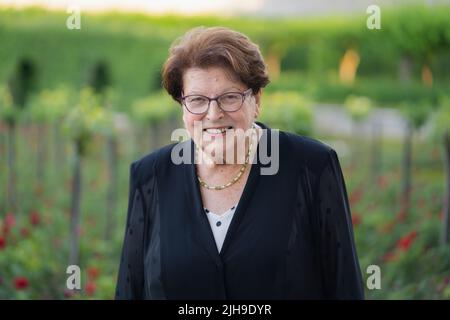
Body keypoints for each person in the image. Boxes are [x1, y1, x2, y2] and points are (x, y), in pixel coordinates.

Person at [115, 26, 364, 299]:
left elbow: (344, 287)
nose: (213, 113)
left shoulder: (312, 167)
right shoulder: (150, 176)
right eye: (197, 100)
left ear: (256, 100)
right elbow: (130, 291)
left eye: (229, 97)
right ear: (182, 106)